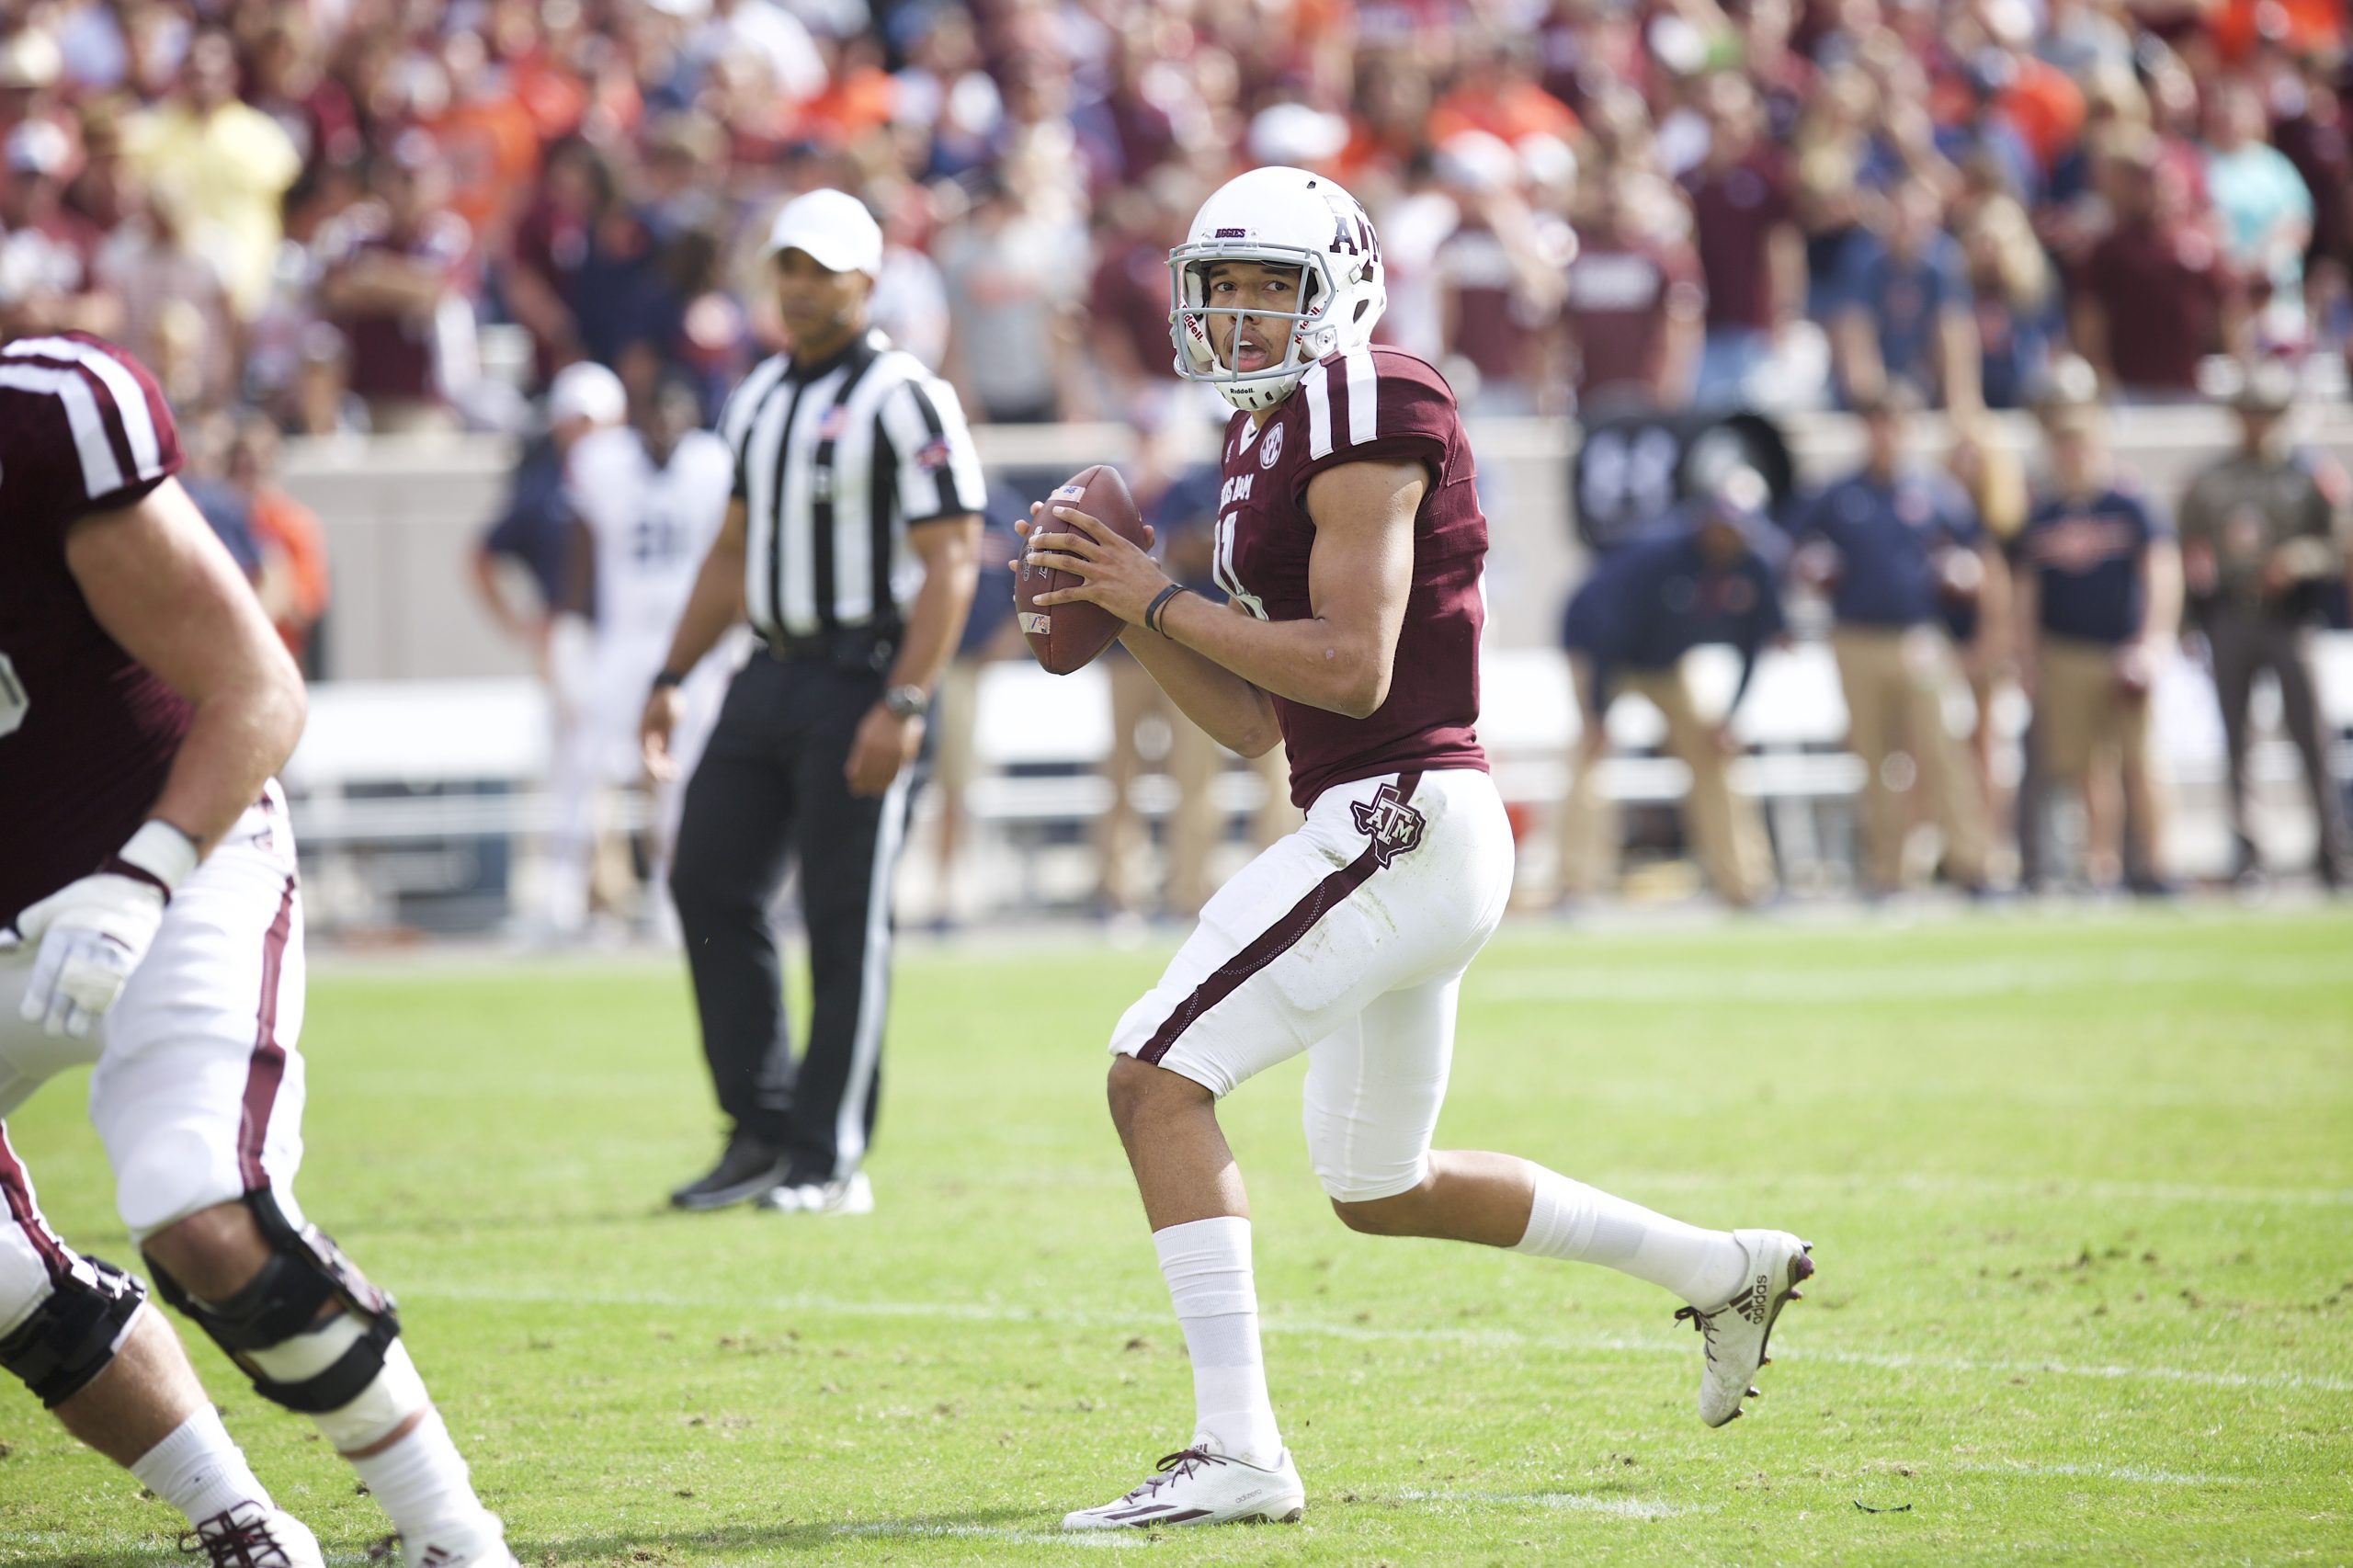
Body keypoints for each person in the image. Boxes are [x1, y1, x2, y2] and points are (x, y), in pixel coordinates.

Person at [1020, 167, 1813, 1532]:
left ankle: (1236, 1446)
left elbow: (1348, 662)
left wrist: (1160, 590)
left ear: (1342, 288)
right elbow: (1253, 724)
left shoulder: (1369, 396)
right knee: (1380, 1184)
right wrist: (1136, 611)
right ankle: (1722, 1264)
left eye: (1274, 285)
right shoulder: (1269, 436)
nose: (1244, 314)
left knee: (1155, 1074)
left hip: (1404, 811)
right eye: (1224, 289)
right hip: (1392, 822)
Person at [0, 332, 516, 1566]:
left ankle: (450, 1535)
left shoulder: (43, 426)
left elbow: (256, 688)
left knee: (200, 1203)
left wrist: (137, 881)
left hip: (169, 849)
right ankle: (238, 1520)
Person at [645, 189, 984, 1217]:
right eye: (785, 267)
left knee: (846, 919)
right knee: (707, 880)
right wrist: (671, 675)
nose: (797, 288)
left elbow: (953, 558)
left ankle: (827, 1154)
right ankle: (758, 1126)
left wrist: (906, 697)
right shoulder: (753, 396)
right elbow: (732, 551)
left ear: (865, 281)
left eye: (818, 269)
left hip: (860, 673)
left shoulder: (904, 396)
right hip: (767, 669)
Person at [1790, 392, 1997, 896]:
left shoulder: (1935, 492)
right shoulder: (1840, 495)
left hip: (1920, 637)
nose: (1885, 435)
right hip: (1857, 636)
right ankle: (1888, 869)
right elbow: (1793, 545)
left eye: (1894, 424)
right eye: (1876, 424)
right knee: (1875, 757)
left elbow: (1976, 553)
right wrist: (1813, 566)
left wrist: (1966, 583)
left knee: (1942, 746)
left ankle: (1971, 861)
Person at [559, 375, 738, 938]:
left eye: (674, 417)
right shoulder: (603, 464)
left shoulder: (713, 464)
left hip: (691, 641)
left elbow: (734, 551)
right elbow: (583, 549)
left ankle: (670, 899)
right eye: (654, 417)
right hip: (625, 636)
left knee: (684, 776)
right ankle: (564, 900)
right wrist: (574, 624)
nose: (663, 429)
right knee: (585, 761)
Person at [1558, 472, 1788, 909]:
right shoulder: (1658, 554)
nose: (1727, 537)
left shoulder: (1754, 564)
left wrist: (1732, 716)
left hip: (1665, 661)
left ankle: (1745, 884)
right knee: (1591, 756)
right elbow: (1609, 632)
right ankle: (1575, 885)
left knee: (1713, 752)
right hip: (1603, 651)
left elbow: (1753, 645)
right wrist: (1598, 714)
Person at [2175, 363, 2347, 887]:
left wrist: (2300, 560)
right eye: (2249, 413)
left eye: (2266, 413)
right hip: (2230, 615)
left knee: (2309, 737)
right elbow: (2187, 551)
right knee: (2235, 740)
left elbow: (2340, 544)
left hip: (2289, 619)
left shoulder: (2308, 474)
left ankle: (2331, 849)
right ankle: (2249, 849)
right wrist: (2187, 619)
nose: (2257, 423)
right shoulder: (2213, 479)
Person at [2012, 393, 2184, 892]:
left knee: (2143, 760)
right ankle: (2101, 866)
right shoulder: (2042, 512)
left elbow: (2161, 572)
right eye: (2063, 443)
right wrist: (2027, 658)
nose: (2072, 453)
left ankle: (2157, 863)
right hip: (2066, 651)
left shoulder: (2128, 503)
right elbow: (2026, 593)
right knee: (2088, 768)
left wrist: (2153, 642)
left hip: (2123, 648)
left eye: (2080, 442)